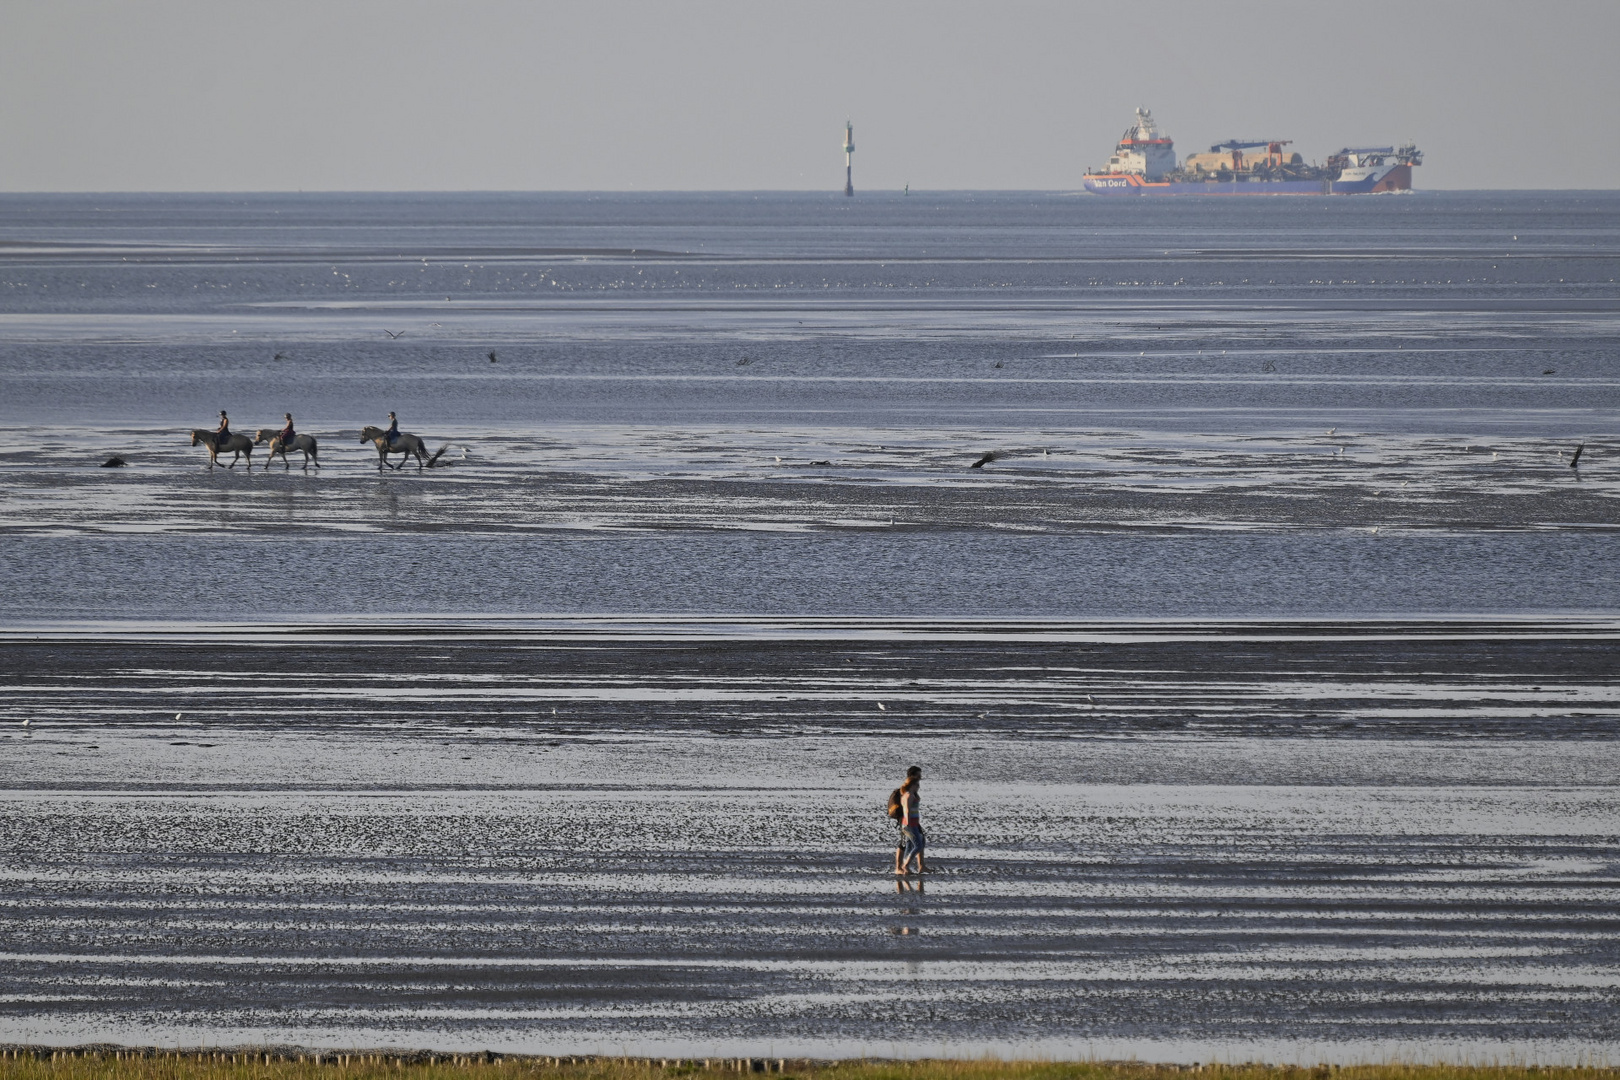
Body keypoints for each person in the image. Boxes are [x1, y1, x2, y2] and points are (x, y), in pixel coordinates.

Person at [895, 766, 926, 875]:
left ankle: (918, 866)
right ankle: (902, 866)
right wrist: (908, 823)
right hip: (907, 823)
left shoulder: (912, 792)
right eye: (918, 775)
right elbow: (906, 809)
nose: (920, 777)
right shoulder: (908, 793)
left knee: (916, 843)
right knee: (910, 845)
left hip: (913, 823)